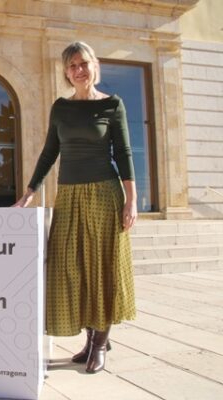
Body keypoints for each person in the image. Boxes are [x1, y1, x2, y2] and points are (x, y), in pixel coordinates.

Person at [13, 41, 138, 374]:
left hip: (104, 194)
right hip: (68, 196)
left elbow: (124, 153)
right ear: (66, 73)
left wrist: (132, 201)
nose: (79, 70)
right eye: (72, 66)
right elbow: (49, 153)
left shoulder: (112, 104)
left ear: (95, 65)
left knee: (101, 268)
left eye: (84, 63)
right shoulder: (61, 108)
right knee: (72, 268)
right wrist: (29, 192)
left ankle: (99, 343)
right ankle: (92, 338)